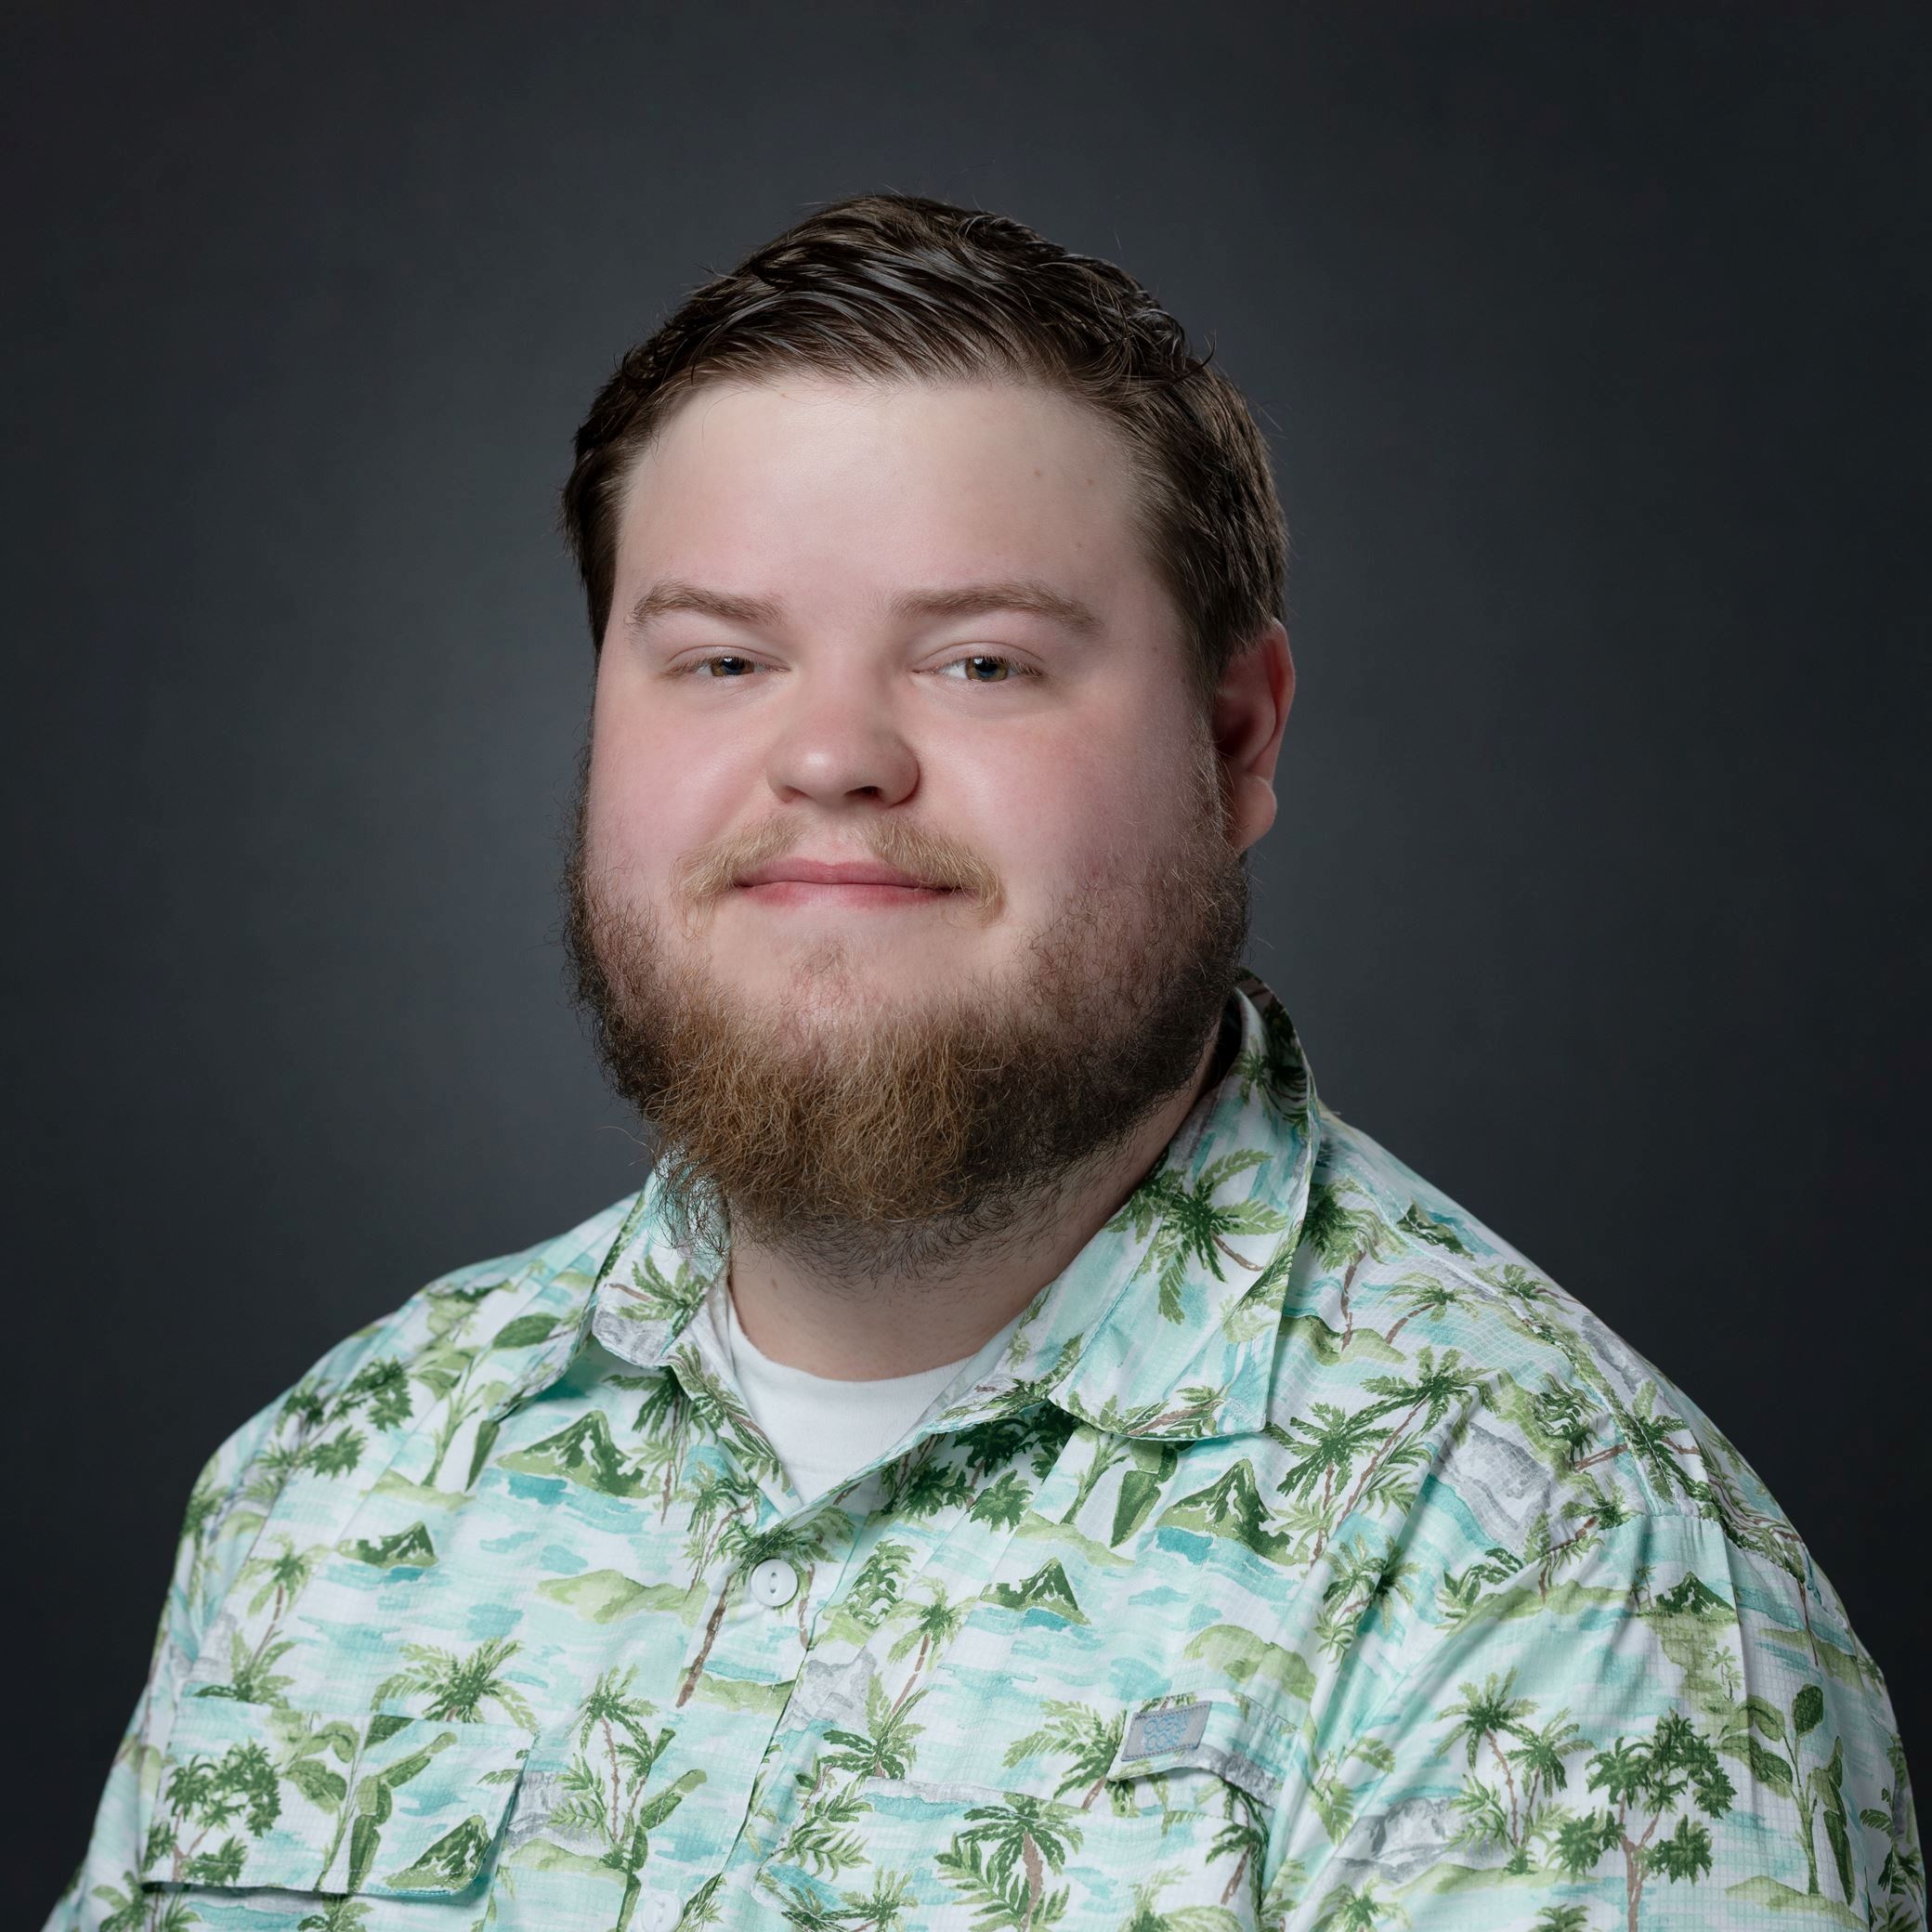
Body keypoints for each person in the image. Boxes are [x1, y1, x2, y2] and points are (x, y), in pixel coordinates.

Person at [48, 192, 1917, 1932]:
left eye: (980, 664)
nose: (832, 756)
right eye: (719, 662)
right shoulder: (339, 1480)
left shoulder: (1561, 1590)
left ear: (1234, 736)